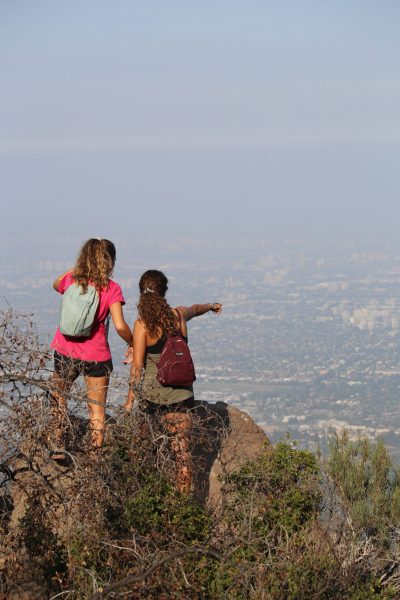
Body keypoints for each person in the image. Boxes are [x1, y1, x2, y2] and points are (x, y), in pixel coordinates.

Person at [124, 269, 222, 493]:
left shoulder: (143, 325)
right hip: (182, 396)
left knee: (143, 452)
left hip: (153, 398)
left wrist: (130, 401)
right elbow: (195, 309)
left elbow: (137, 367)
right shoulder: (178, 315)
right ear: (164, 292)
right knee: (182, 455)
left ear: (142, 293)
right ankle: (182, 507)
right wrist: (212, 306)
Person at [50, 238, 133, 454]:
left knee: (59, 397)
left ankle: (59, 444)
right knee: (97, 411)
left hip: (65, 351)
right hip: (96, 356)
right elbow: (119, 325)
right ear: (111, 261)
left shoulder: (71, 279)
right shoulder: (111, 288)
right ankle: (95, 459)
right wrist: (133, 342)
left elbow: (55, 284)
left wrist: (79, 268)